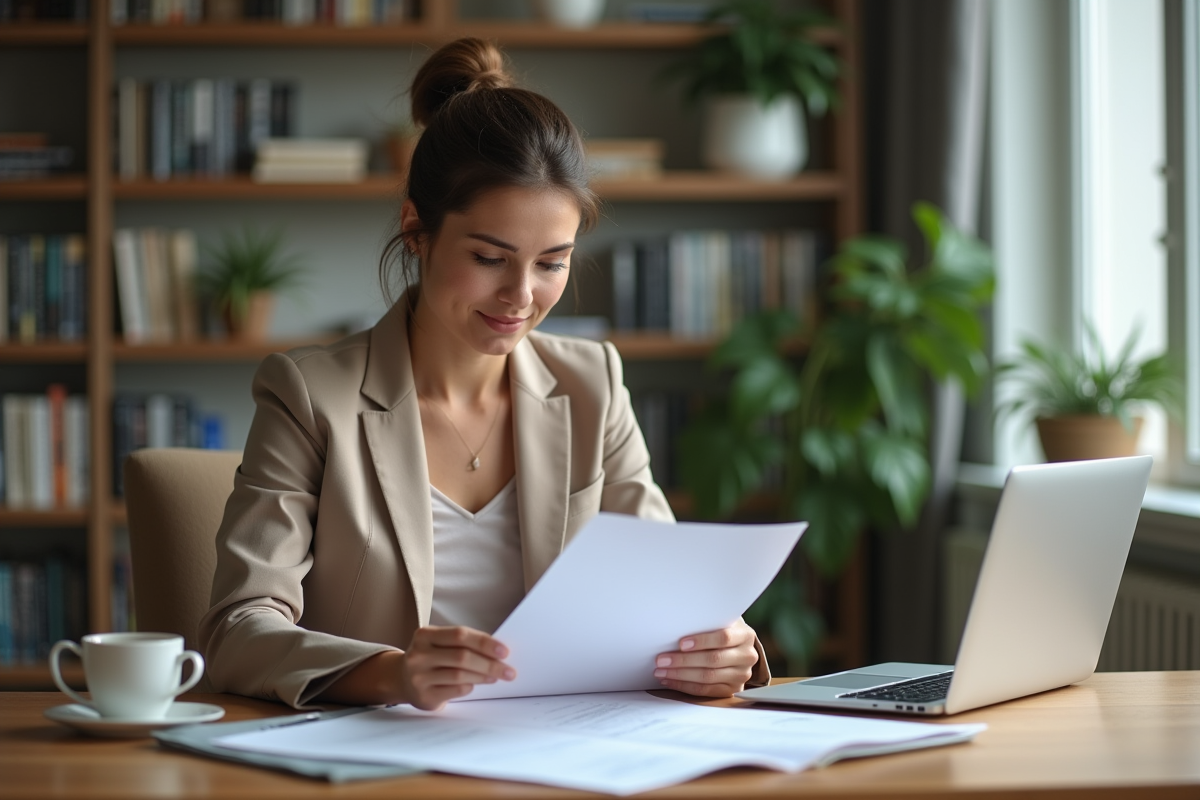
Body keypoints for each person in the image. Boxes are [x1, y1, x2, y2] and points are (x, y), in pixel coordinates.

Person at [198, 37, 770, 711]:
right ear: (417, 228)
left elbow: (672, 604)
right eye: (490, 257)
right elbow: (238, 630)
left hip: (563, 755)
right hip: (380, 761)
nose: (521, 296)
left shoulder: (592, 383)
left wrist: (718, 650)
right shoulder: (310, 394)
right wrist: (395, 673)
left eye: (552, 262)